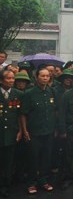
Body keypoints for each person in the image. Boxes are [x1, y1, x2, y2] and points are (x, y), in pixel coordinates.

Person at [20, 68, 57, 194]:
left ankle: (43, 180)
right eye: (42, 76)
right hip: (34, 132)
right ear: (36, 77)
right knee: (33, 158)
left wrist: (55, 128)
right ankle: (32, 182)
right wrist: (24, 131)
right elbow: (23, 114)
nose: (45, 78)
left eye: (47, 76)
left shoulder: (52, 92)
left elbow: (55, 111)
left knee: (46, 158)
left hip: (49, 131)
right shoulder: (29, 93)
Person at [0, 69, 23, 197]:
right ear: (1, 80)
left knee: (8, 162)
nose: (11, 81)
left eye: (12, 78)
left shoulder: (18, 94)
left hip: (11, 133)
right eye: (8, 78)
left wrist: (20, 130)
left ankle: (5, 185)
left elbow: (20, 115)